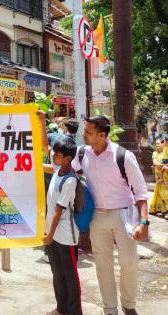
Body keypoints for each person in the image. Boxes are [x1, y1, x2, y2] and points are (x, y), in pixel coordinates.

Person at [71, 116, 149, 315]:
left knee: (129, 262)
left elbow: (140, 192)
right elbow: (62, 169)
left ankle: (129, 305)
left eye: (88, 132)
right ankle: (110, 309)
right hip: (97, 217)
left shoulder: (122, 156)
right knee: (102, 265)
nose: (83, 134)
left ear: (102, 135)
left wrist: (143, 222)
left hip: (123, 214)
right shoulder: (82, 154)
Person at [43, 138, 83, 315]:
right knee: (57, 272)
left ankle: (74, 311)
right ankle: (62, 307)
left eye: (57, 155)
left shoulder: (70, 180)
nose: (53, 156)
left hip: (66, 236)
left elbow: (59, 211)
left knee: (70, 275)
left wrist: (49, 234)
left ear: (67, 159)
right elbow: (48, 158)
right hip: (53, 232)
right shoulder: (58, 169)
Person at [149, 138, 168, 218]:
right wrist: (161, 166)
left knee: (160, 194)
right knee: (164, 194)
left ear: (163, 144)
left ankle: (159, 209)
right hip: (160, 177)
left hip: (165, 176)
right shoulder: (155, 153)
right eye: (156, 143)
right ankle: (165, 211)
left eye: (159, 143)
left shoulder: (165, 152)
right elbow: (155, 162)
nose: (157, 145)